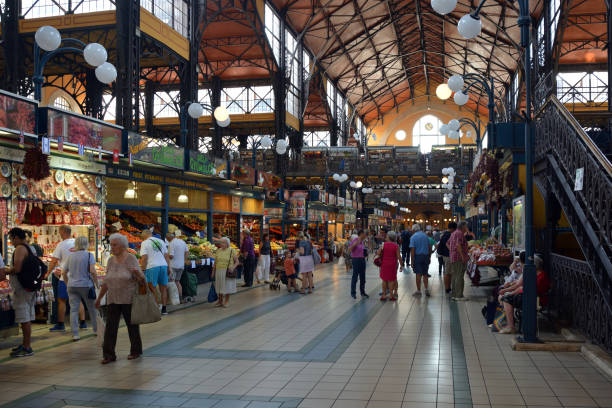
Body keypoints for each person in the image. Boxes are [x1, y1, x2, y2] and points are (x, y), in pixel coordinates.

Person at [95, 233, 146, 364]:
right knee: (111, 328)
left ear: (123, 246)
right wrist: (99, 298)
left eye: (114, 245)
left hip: (129, 298)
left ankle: (135, 351)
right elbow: (106, 281)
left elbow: (142, 280)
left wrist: (137, 275)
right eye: (111, 245)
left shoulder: (131, 258)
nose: (112, 247)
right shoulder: (110, 260)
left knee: (132, 326)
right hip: (113, 298)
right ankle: (109, 355)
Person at [3, 228, 36, 357]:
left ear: (16, 237)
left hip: (22, 289)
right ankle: (25, 344)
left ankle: (27, 347)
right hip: (28, 288)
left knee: (24, 318)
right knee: (26, 316)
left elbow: (17, 269)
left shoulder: (20, 249)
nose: (11, 242)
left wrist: (5, 271)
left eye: (11, 239)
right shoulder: (30, 248)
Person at [46, 225, 86, 332]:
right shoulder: (78, 243)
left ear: (63, 232)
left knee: (62, 301)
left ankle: (60, 324)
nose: (59, 234)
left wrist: (48, 272)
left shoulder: (61, 245)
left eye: (60, 232)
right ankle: (83, 323)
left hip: (65, 278)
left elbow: (54, 261)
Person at [498, 255, 550, 334]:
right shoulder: (536, 274)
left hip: (535, 299)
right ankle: (510, 321)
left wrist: (510, 293)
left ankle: (511, 326)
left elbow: (525, 288)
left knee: (507, 299)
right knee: (506, 297)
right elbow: (522, 287)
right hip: (531, 297)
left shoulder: (541, 276)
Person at [63, 236, 99, 341]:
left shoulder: (70, 256)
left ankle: (75, 334)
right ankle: (96, 330)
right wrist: (96, 283)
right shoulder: (89, 255)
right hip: (86, 285)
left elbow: (63, 272)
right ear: (86, 244)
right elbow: (92, 271)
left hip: (72, 286)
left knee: (73, 310)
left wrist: (67, 283)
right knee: (92, 309)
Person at [140, 229, 170, 315]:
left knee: (152, 289)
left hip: (152, 267)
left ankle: (156, 309)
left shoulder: (144, 243)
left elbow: (144, 258)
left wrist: (142, 269)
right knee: (163, 289)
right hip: (163, 266)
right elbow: (166, 256)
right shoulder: (161, 241)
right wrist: (168, 267)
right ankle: (164, 309)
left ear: (144, 236)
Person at [211, 237, 239, 307]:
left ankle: (226, 301)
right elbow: (215, 262)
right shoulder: (218, 251)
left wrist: (232, 267)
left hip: (227, 271)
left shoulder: (231, 250)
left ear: (227, 243)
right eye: (220, 242)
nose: (221, 244)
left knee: (227, 286)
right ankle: (220, 301)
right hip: (218, 271)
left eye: (223, 242)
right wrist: (213, 272)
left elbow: (237, 262)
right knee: (219, 286)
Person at [377, 230, 403, 301]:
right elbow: (398, 256)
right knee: (391, 280)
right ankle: (391, 295)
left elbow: (378, 253)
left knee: (384, 280)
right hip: (392, 264)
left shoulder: (383, 244)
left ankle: (384, 295)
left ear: (389, 237)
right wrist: (401, 265)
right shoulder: (396, 246)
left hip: (384, 264)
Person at [447, 221, 469, 301]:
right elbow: (458, 245)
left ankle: (454, 294)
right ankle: (459, 296)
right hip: (459, 258)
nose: (467, 227)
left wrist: (452, 251)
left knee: (455, 276)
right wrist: (462, 257)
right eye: (466, 226)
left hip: (453, 257)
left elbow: (448, 243)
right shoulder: (459, 233)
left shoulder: (454, 233)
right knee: (459, 276)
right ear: (463, 226)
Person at [410, 224, 431, 297]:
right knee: (425, 274)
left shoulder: (413, 237)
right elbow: (429, 247)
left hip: (418, 257)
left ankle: (418, 291)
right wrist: (429, 257)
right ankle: (426, 289)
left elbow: (412, 250)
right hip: (425, 256)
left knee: (418, 274)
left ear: (413, 230)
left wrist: (412, 261)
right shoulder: (425, 236)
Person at [348, 230, 369, 299]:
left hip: (362, 259)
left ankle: (362, 292)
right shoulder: (355, 240)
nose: (366, 235)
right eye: (365, 234)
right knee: (355, 276)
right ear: (361, 234)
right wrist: (354, 245)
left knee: (363, 277)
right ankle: (353, 293)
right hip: (356, 260)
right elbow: (349, 250)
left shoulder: (363, 241)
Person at [167, 232, 188, 301]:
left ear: (168, 238)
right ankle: (180, 298)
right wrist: (184, 260)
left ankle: (173, 299)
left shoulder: (171, 243)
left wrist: (165, 256)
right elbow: (187, 252)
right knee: (177, 281)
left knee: (172, 282)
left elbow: (171, 256)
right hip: (181, 265)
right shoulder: (182, 241)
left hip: (173, 266)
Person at [437, 222, 456, 294]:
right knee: (448, 272)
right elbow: (448, 245)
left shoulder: (445, 234)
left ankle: (448, 288)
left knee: (448, 272)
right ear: (453, 228)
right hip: (448, 256)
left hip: (445, 255)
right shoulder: (449, 235)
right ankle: (447, 289)